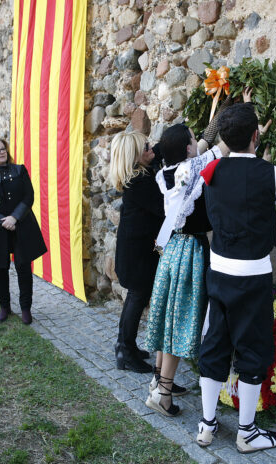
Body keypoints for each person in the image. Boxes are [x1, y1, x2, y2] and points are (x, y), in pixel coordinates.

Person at [195, 103, 276, 453]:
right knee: (253, 348)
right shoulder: (274, 174)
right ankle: (247, 432)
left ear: (222, 137)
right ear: (255, 135)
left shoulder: (211, 169)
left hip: (219, 271)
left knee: (215, 342)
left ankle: (206, 425)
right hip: (253, 274)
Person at [144, 124, 227, 417]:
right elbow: (225, 146)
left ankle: (157, 380)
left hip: (171, 250)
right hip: (190, 250)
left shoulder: (166, 172)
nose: (198, 141)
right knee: (179, 321)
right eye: (193, 139)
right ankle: (163, 393)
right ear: (188, 150)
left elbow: (203, 144)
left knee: (168, 316)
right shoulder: (192, 169)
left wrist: (221, 107)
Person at [107, 131, 163, 373]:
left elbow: (162, 149)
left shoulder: (137, 175)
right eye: (146, 148)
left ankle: (123, 344)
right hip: (138, 252)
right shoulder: (140, 181)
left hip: (135, 249)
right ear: (135, 156)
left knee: (134, 297)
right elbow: (162, 208)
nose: (151, 149)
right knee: (137, 297)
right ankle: (126, 351)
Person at [0, 136, 47, 324]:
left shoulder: (19, 170)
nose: (1, 152)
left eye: (3, 149)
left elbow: (28, 196)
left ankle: (25, 308)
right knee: (1, 268)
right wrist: (2, 221)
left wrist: (14, 217)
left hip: (21, 225)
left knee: (23, 267)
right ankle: (4, 307)